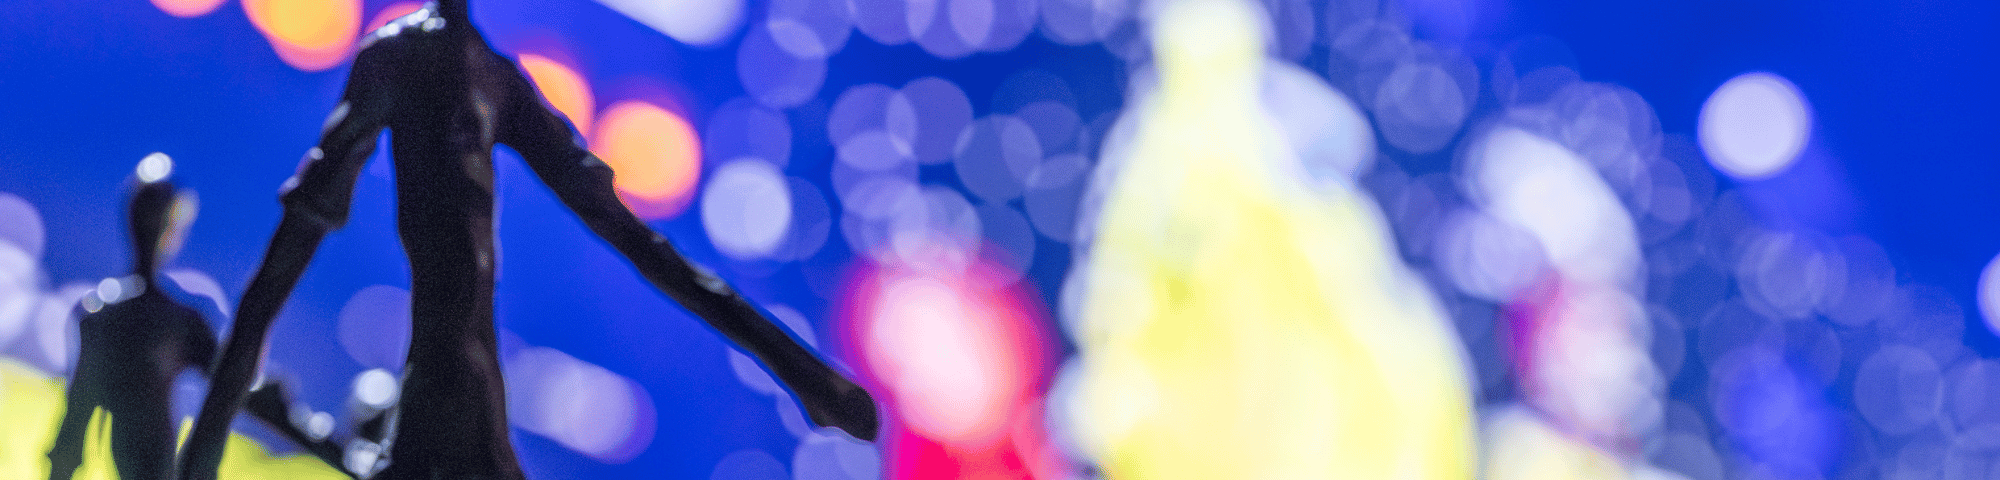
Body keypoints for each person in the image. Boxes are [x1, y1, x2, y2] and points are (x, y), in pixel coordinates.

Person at [177, 2, 879, 479]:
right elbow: (287, 255)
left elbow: (635, 241)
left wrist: (802, 372)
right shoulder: (399, 61)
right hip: (451, 384)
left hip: (462, 386)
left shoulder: (496, 81)